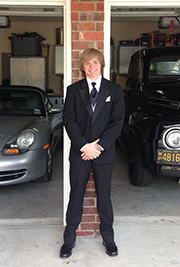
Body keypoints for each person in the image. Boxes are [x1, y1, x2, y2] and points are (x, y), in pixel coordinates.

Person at [60, 48, 125, 258]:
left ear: (102, 65)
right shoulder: (73, 90)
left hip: (103, 154)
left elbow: (117, 122)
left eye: (95, 63)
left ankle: (109, 238)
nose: (91, 67)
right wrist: (84, 146)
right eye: (87, 64)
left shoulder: (114, 91)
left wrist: (97, 147)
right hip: (80, 153)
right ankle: (69, 239)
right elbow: (69, 121)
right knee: (76, 195)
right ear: (83, 66)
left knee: (104, 196)